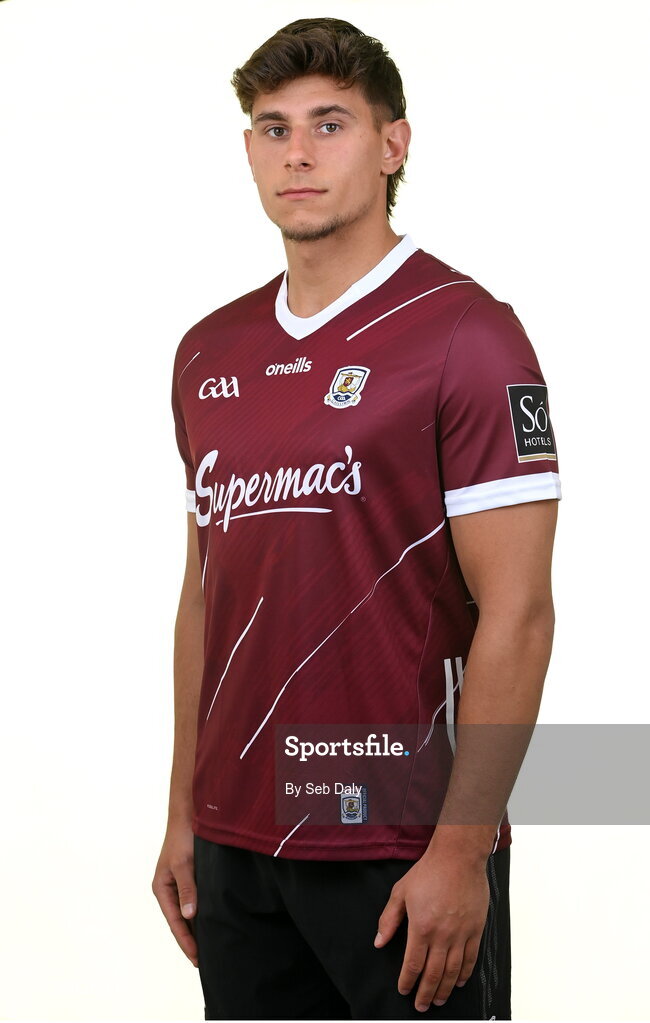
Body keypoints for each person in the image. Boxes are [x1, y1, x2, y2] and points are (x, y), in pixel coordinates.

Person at [151, 17, 561, 1021]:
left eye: (329, 124)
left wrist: (461, 849)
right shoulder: (209, 351)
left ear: (392, 144)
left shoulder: (467, 335)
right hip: (235, 844)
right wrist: (181, 815)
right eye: (270, 126)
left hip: (397, 838)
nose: (296, 152)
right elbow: (207, 589)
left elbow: (518, 614)